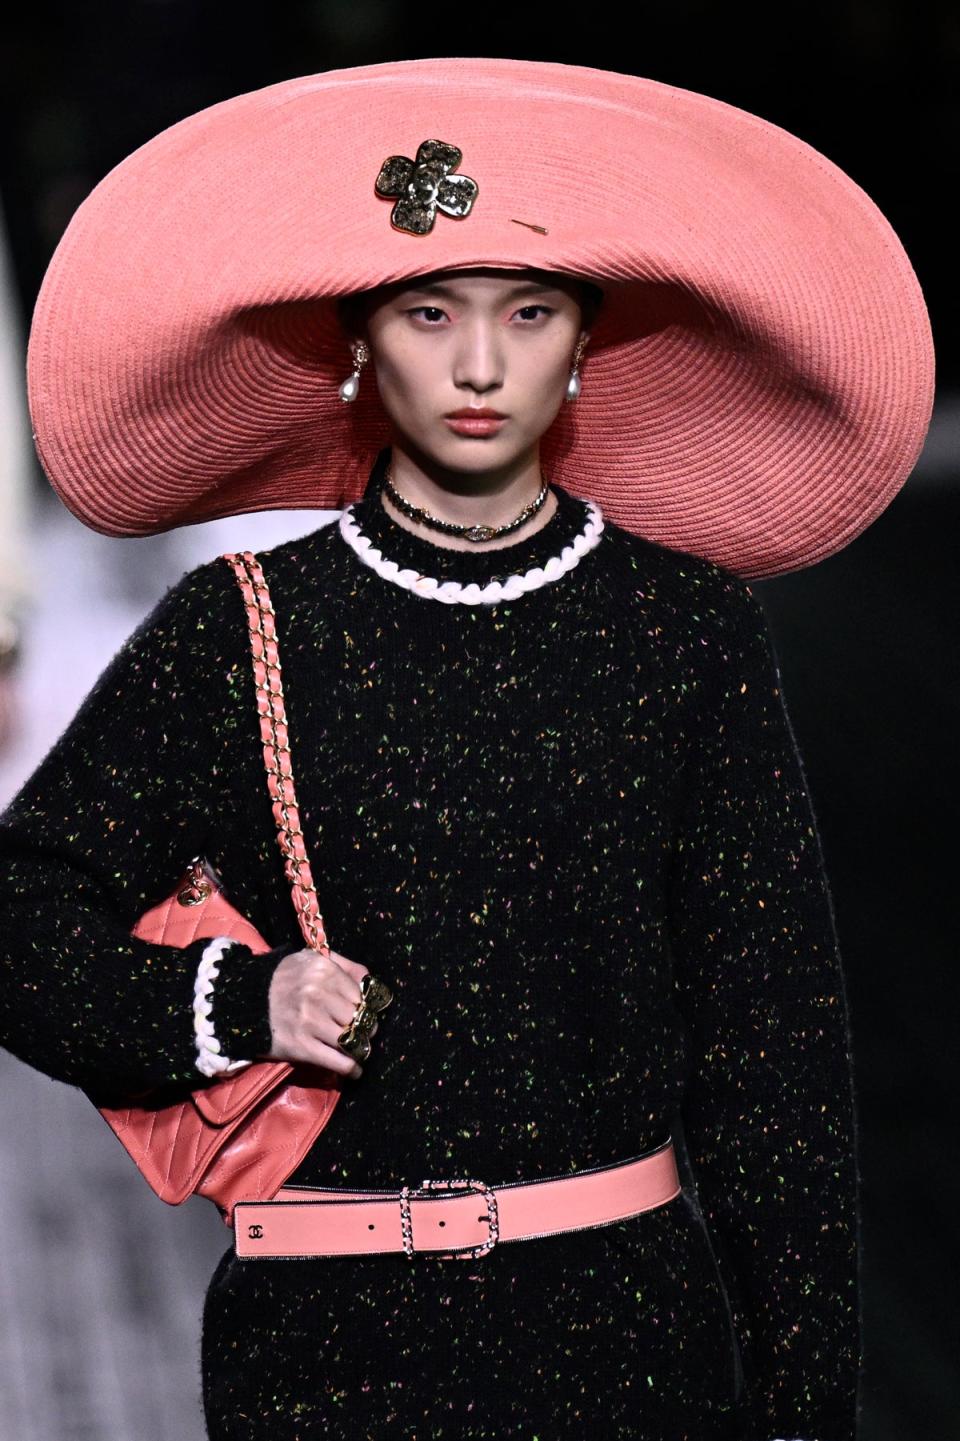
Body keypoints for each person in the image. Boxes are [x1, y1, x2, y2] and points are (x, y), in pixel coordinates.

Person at [0, 56, 933, 1441]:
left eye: (532, 311)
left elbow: (772, 1041)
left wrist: (804, 1403)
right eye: (433, 312)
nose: (483, 363)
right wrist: (234, 1003)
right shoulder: (240, 632)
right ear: (360, 344)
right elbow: (23, 915)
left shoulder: (683, 634)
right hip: (321, 1364)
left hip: (631, 1357)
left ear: (583, 348)